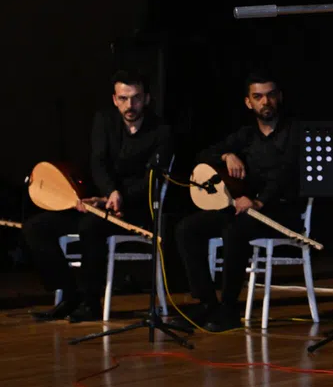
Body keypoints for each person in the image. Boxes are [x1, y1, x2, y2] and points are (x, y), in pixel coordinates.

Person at [25, 70, 172, 322]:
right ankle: (70, 294)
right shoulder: (104, 120)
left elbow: (151, 180)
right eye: (123, 98)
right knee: (35, 228)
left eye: (136, 98)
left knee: (90, 226)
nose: (130, 105)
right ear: (115, 99)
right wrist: (108, 193)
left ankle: (90, 302)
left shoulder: (161, 131)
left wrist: (120, 197)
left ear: (147, 98)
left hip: (134, 209)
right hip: (100, 201)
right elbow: (98, 162)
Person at [175, 73, 303, 331]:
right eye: (258, 97)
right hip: (244, 208)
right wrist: (227, 155)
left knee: (234, 230)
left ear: (279, 97)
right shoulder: (246, 135)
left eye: (270, 95)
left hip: (281, 211)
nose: (265, 102)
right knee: (187, 228)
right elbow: (203, 155)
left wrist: (259, 202)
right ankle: (207, 302)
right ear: (248, 102)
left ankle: (229, 308)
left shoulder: (295, 132)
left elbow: (287, 173)